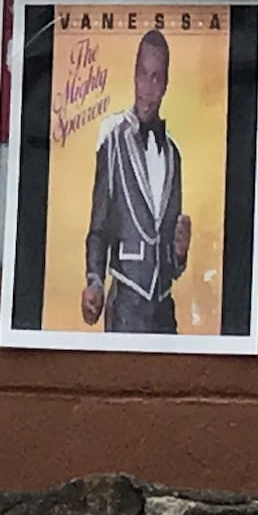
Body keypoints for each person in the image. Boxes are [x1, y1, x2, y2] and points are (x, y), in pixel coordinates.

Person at [79, 26, 193, 335]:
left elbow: (172, 263)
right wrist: (94, 281)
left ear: (166, 84)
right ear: (133, 75)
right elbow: (99, 226)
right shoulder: (112, 140)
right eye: (143, 74)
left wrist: (180, 253)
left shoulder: (174, 154)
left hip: (164, 310)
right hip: (125, 306)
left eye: (156, 78)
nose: (147, 87)